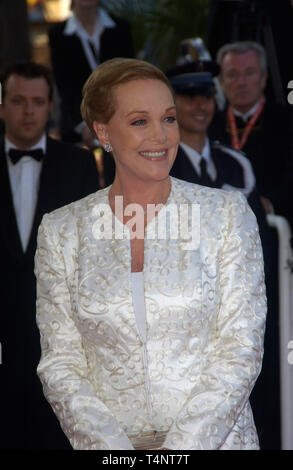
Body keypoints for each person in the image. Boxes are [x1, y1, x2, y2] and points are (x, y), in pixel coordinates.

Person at [35, 57, 267, 450]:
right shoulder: (61, 231)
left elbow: (241, 350)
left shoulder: (226, 215)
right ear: (103, 131)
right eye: (140, 121)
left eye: (169, 118)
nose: (160, 136)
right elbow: (61, 363)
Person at [167, 61, 280, 449]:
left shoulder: (236, 163)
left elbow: (258, 244)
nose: (200, 105)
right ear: (172, 104)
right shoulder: (157, 166)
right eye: (188, 97)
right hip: (185, 320)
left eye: (206, 96)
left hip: (236, 313)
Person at [0, 61, 100, 450]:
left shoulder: (78, 164)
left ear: (50, 106)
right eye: (19, 101)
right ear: (3, 104)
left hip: (58, 341)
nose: (28, 111)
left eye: (37, 101)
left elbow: (88, 253)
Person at [209, 41, 293, 228]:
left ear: (264, 78)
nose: (241, 82)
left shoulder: (286, 121)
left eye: (249, 73)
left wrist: (270, 204)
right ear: (221, 82)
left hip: (276, 227)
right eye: (232, 75)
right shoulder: (209, 125)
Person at [48, 0, 135, 146]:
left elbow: (129, 78)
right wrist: (84, 124)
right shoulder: (58, 34)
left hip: (119, 119)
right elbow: (64, 87)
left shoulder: (121, 28)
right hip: (76, 125)